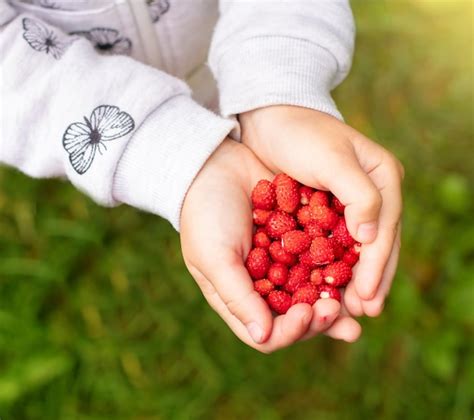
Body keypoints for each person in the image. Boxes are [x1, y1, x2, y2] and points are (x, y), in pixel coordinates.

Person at [0, 0, 403, 353]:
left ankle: (234, 119)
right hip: (74, 99)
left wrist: (278, 91)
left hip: (226, 56)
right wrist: (165, 150)